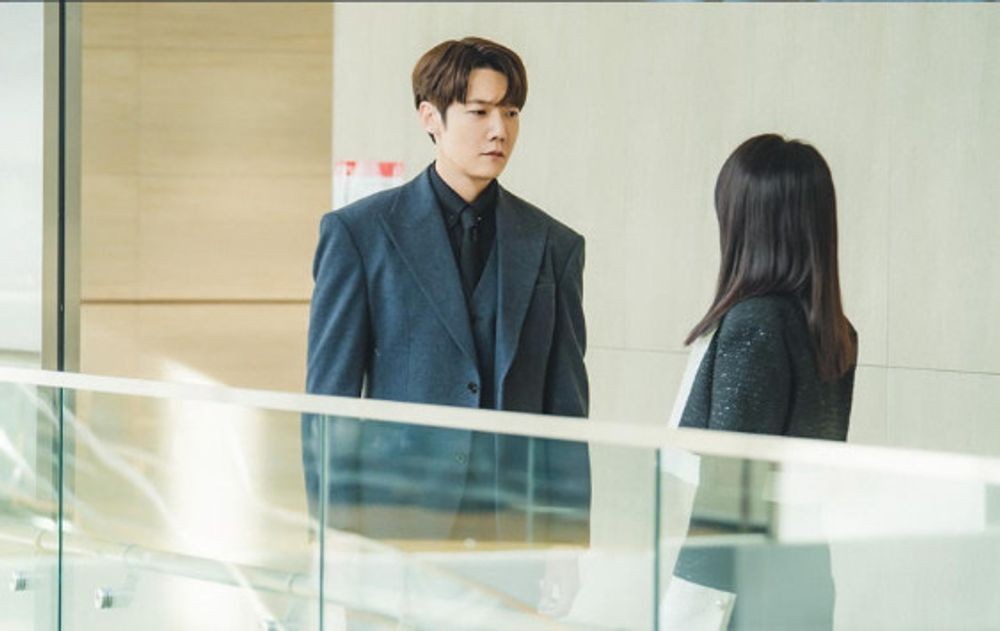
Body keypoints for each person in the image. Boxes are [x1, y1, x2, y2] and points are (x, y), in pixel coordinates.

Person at [303, 36, 590, 616]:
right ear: (430, 118)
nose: (499, 131)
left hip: (509, 542)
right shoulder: (360, 234)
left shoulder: (553, 245)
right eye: (479, 112)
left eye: (511, 112)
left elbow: (566, 410)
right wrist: (333, 534)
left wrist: (565, 543)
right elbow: (329, 402)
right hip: (392, 536)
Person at [669, 133, 858, 630]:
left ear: (747, 221)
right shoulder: (832, 329)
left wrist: (687, 606)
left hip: (745, 587)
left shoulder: (756, 324)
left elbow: (726, 492)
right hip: (804, 572)